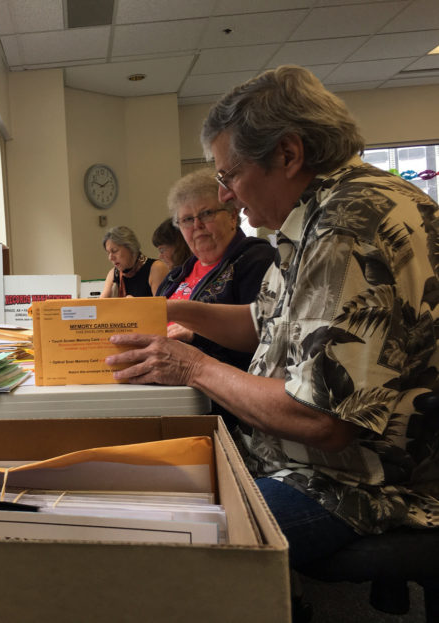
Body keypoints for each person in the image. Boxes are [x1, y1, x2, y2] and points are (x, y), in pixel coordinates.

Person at [104, 66, 439, 584]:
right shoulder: (320, 214)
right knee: (136, 488)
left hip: (358, 483)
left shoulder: (347, 228)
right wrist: (170, 310)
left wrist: (191, 366)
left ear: (287, 154)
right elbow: (261, 324)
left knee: (160, 555)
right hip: (303, 461)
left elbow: (323, 422)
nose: (227, 196)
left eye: (229, 175)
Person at [158, 168, 275, 373]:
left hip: (216, 388)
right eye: (187, 219)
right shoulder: (175, 276)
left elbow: (265, 337)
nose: (197, 225)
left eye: (206, 214)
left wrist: (197, 334)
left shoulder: (256, 259)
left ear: (232, 216)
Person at [99, 225, 167, 298]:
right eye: (108, 253)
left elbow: (160, 307)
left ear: (131, 247)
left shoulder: (156, 268)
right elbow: (100, 305)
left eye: (115, 251)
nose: (110, 258)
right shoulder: (113, 274)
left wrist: (135, 304)